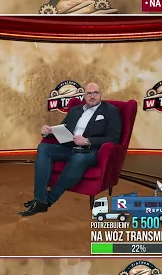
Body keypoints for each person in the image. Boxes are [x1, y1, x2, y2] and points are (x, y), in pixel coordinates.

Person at [20, 82, 122, 217]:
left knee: (78, 158)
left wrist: (87, 141)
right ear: (84, 96)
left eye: (95, 93)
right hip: (69, 148)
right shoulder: (75, 110)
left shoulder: (111, 111)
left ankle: (47, 200)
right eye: (89, 93)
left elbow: (113, 138)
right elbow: (63, 128)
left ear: (100, 94)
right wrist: (48, 132)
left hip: (90, 152)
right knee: (43, 148)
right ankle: (39, 198)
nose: (92, 96)